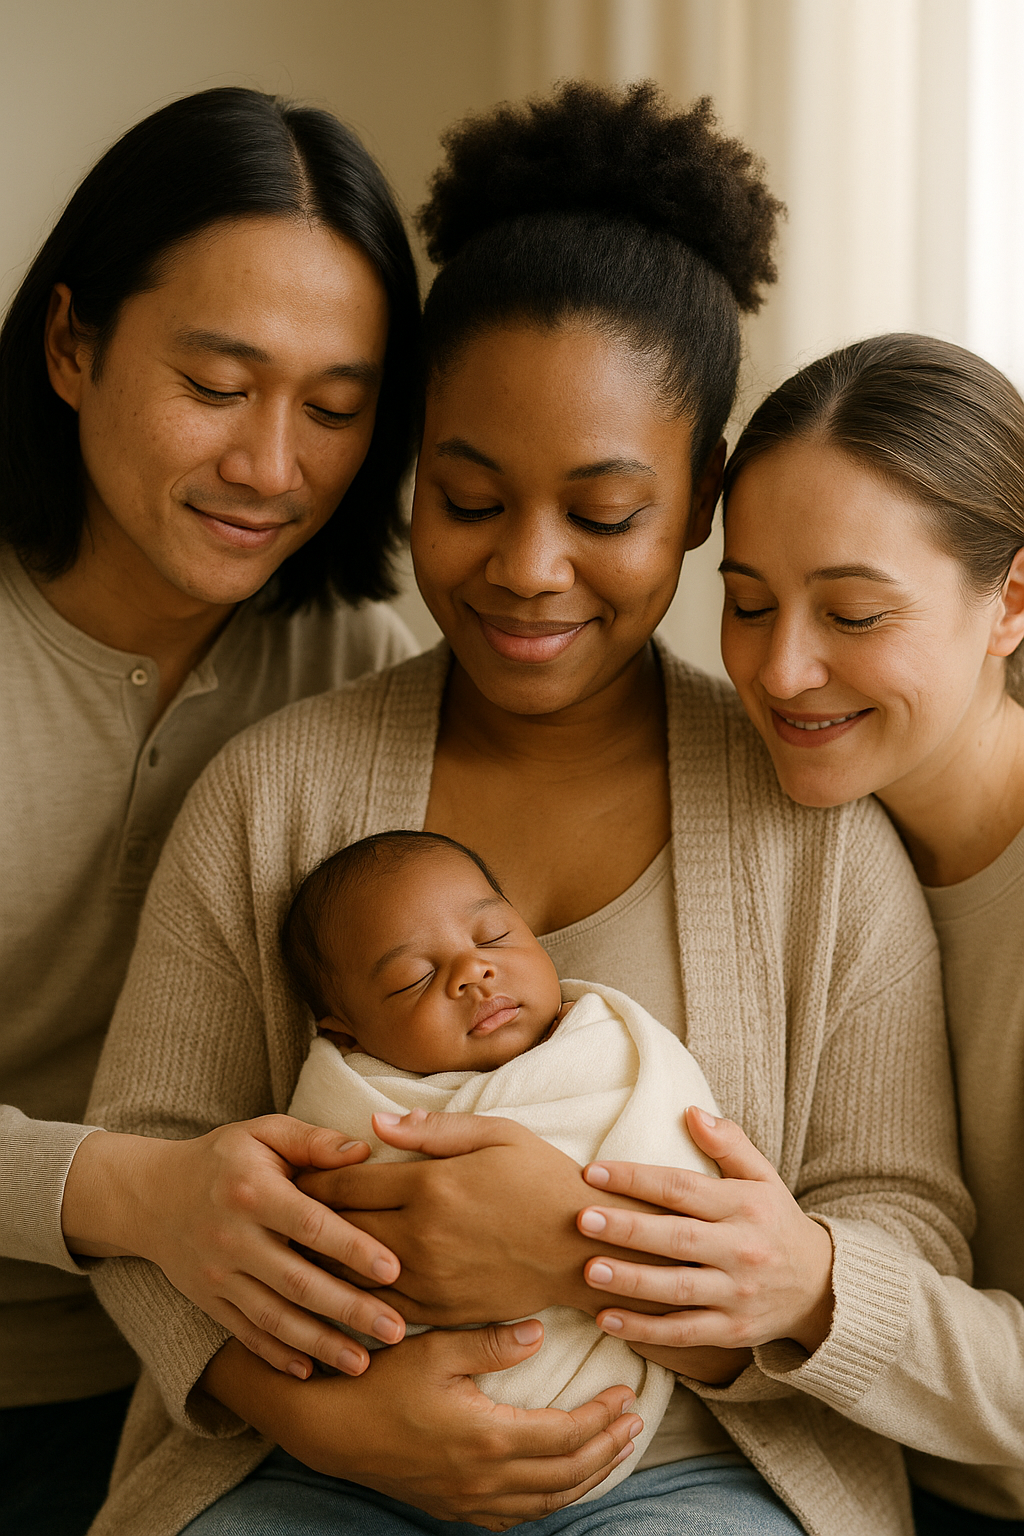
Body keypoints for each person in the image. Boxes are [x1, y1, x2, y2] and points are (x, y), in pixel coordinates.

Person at [85, 85, 969, 1536]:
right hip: (308, 1459)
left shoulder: (811, 830)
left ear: (699, 505)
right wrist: (314, 1412)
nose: (530, 570)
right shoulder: (276, 788)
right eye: (471, 498)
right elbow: (153, 1165)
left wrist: (612, 1267)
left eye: (607, 515)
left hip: (698, 1463)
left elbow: (899, 1214)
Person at [0, 85, 424, 1536]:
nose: (271, 466)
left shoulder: (354, 673)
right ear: (72, 344)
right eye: (218, 384)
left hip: (176, 1396)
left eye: (337, 409)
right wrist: (124, 1192)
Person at [715, 333, 1024, 1535]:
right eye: (745, 604)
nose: (783, 669)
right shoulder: (780, 830)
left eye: (851, 612)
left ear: (1009, 599)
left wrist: (814, 1285)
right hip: (836, 1480)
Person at [281, 827, 727, 1494]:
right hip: (378, 1447)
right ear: (345, 1030)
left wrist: (573, 1241)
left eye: (491, 939)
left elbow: (689, 1180)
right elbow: (299, 1223)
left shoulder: (610, 1046)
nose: (473, 972)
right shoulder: (351, 1099)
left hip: (630, 1448)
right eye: (415, 977)